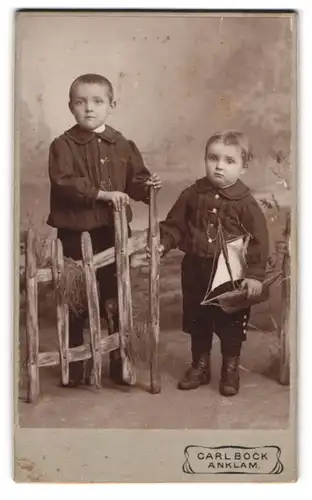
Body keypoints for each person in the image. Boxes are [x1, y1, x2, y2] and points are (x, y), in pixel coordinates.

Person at [47, 73, 161, 386]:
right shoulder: (63, 146)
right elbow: (65, 182)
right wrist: (102, 195)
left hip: (112, 233)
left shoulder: (122, 145)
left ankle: (119, 358)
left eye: (97, 101)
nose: (89, 108)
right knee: (76, 296)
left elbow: (135, 182)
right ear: (70, 107)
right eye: (80, 102)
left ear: (112, 104)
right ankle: (75, 363)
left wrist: (147, 186)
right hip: (75, 233)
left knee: (115, 295)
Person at [156, 131, 269, 396]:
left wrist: (254, 275)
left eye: (229, 161)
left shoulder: (245, 203)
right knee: (199, 320)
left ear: (243, 167)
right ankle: (200, 365)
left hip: (230, 274)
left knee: (230, 323)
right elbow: (174, 225)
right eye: (213, 158)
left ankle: (230, 368)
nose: (219, 165)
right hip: (195, 270)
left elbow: (259, 241)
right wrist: (163, 243)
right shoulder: (192, 194)